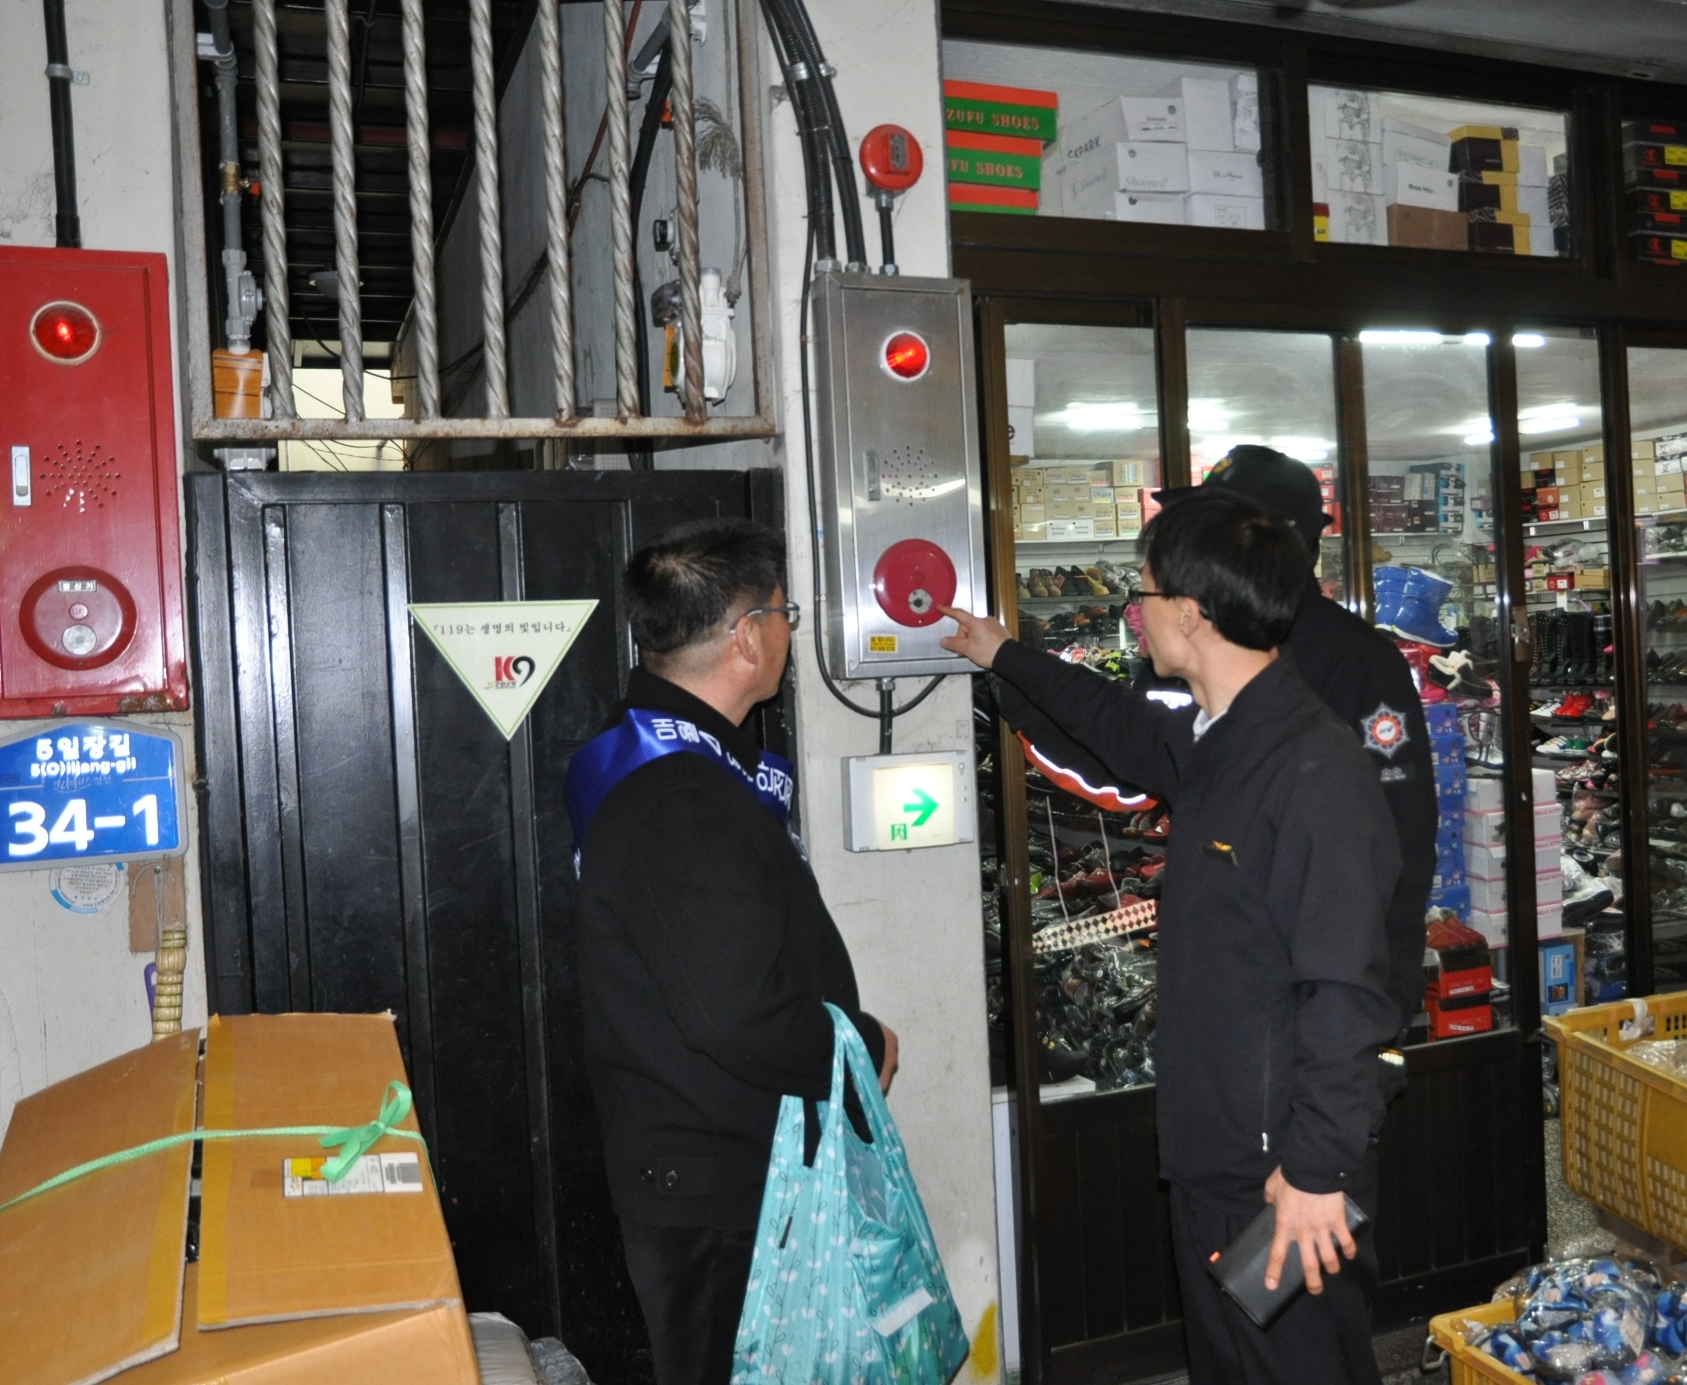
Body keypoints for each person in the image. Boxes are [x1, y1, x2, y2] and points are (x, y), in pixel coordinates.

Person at [940, 489, 1404, 1385]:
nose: (1134, 611)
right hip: (1217, 1148)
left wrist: (1316, 1172)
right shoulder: (1223, 740)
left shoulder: (1313, 772)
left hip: (1279, 1169)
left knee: (1298, 1370)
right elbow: (1116, 723)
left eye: (1143, 591)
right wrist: (1002, 654)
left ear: (1189, 613)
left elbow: (1346, 993)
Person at [567, 519, 898, 1385]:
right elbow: (735, 1013)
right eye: (785, 613)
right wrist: (859, 1049)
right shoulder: (678, 796)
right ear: (748, 636)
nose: (790, 631)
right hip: (718, 1187)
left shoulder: (673, 760)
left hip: (722, 1165)